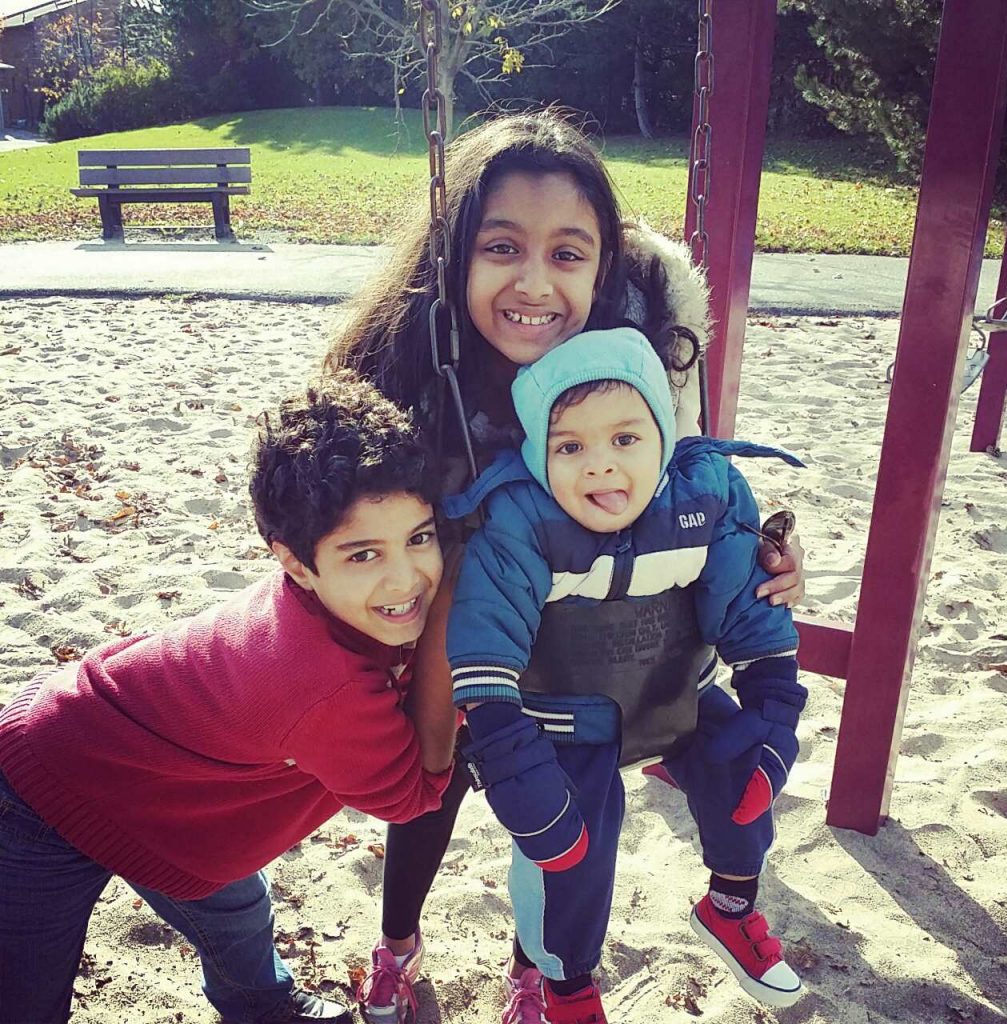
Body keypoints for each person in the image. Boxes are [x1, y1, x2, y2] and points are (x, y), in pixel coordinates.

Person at [325, 108, 806, 1024]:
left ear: (604, 266)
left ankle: (536, 972)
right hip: (454, 629)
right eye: (502, 248)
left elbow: (688, 479)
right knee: (432, 786)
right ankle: (397, 944)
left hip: (590, 649)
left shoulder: (646, 348)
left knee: (560, 819)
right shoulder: (409, 361)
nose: (534, 283)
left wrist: (770, 549)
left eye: (568, 254)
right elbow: (335, 522)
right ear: (455, 254)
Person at [0, 373, 457, 1024]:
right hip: (41, 797)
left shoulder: (338, 607)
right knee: (23, 996)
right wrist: (451, 620)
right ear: (294, 563)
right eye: (363, 554)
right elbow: (413, 793)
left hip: (166, 800)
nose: (407, 577)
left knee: (239, 911)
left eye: (420, 536)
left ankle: (263, 1004)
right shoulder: (320, 681)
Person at [446, 326, 807, 1020]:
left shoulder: (704, 498)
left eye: (625, 440)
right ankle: (568, 984)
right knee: (570, 842)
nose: (601, 467)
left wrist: (772, 700)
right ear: (536, 455)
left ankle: (729, 905)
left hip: (680, 695)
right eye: (570, 447)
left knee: (747, 776)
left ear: (664, 440)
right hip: (566, 716)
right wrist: (499, 734)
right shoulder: (521, 520)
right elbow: (486, 636)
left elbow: (745, 601)